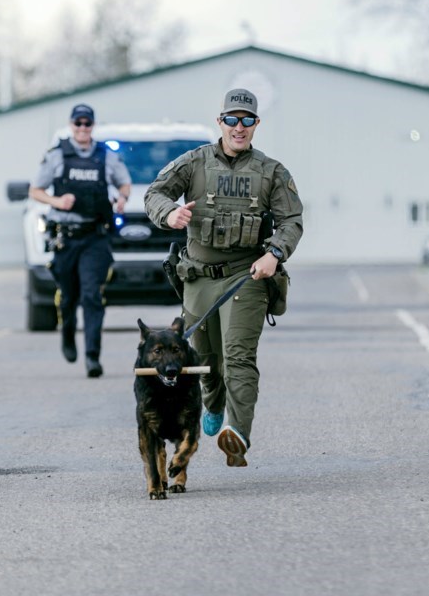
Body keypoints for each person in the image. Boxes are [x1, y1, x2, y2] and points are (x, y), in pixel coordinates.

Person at [143, 88, 304, 467]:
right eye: (232, 119)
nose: (239, 126)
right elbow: (154, 193)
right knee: (206, 359)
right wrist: (169, 214)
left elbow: (292, 221)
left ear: (256, 124)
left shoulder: (272, 172)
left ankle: (238, 432)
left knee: (238, 357)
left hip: (246, 276)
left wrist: (274, 253)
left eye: (247, 120)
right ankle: (212, 400)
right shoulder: (194, 162)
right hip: (198, 277)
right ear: (220, 122)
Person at [29, 104, 131, 378]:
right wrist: (56, 201)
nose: (83, 128)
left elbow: (124, 184)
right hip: (66, 237)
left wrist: (122, 200)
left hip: (95, 237)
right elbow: (35, 190)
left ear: (93, 125)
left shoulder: (105, 156)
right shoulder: (57, 155)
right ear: (71, 125)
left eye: (87, 124)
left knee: (92, 296)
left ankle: (92, 357)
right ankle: (67, 333)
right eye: (78, 123)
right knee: (69, 298)